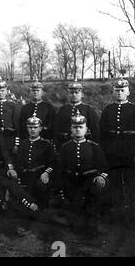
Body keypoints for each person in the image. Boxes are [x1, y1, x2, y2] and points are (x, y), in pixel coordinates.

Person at [58, 111, 108, 219]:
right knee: (73, 212)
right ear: (71, 129)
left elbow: (104, 166)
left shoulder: (94, 147)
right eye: (75, 127)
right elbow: (60, 168)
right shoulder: (65, 147)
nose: (78, 129)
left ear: (86, 129)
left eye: (81, 127)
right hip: (70, 181)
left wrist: (101, 176)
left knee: (90, 209)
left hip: (88, 181)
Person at [100, 77, 135, 219]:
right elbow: (101, 133)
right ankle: (114, 213)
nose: (119, 93)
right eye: (117, 90)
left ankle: (132, 212)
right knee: (113, 183)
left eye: (122, 90)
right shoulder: (108, 110)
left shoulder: (134, 109)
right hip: (111, 153)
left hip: (130, 153)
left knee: (131, 182)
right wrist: (103, 152)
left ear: (128, 92)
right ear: (113, 92)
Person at [15, 113, 55, 209]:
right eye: (30, 127)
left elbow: (53, 163)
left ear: (40, 128)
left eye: (35, 127)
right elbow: (18, 162)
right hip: (25, 177)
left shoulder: (46, 144)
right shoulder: (23, 144)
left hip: (39, 177)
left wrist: (46, 173)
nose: (32, 130)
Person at [54, 78, 99, 148]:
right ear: (68, 94)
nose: (74, 95)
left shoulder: (88, 110)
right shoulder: (62, 110)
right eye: (71, 92)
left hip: (84, 145)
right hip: (64, 145)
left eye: (76, 92)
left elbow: (95, 131)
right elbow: (56, 130)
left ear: (82, 94)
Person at [0, 76, 20, 156]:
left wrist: (16, 144)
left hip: (10, 138)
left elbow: (16, 125)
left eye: (2, 90)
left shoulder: (12, 105)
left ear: (6, 91)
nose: (0, 93)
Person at [19, 77, 56, 141]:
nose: (35, 92)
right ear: (30, 92)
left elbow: (53, 126)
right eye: (33, 91)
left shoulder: (48, 107)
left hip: (44, 140)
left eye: (38, 90)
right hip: (28, 140)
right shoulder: (25, 108)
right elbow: (21, 126)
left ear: (42, 92)